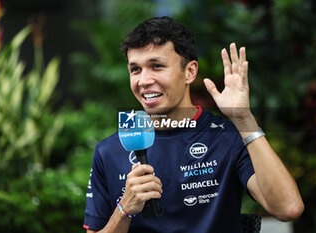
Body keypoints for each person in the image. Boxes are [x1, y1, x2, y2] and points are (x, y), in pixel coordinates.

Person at [83, 16, 304, 233]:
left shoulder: (228, 137)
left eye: (157, 66)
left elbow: (288, 208)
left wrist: (243, 119)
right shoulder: (109, 151)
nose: (144, 80)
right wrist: (124, 210)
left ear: (190, 72)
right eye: (135, 70)